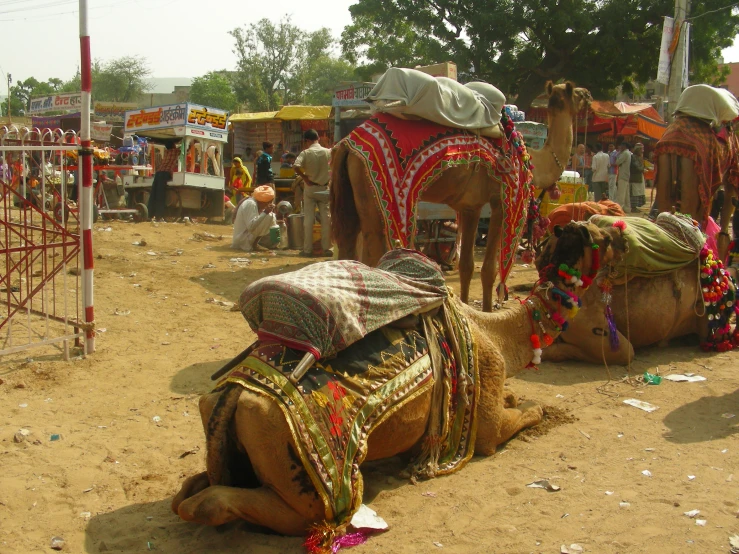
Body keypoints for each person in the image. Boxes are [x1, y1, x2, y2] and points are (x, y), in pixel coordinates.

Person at [293, 129, 332, 257]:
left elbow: (296, 166)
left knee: (308, 219)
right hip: (325, 188)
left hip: (310, 189)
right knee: (326, 219)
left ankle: (307, 250)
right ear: (318, 139)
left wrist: (304, 178)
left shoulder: (305, 153)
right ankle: (327, 248)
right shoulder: (328, 152)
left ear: (307, 141)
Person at [231, 185, 278, 251]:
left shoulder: (253, 203)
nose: (269, 204)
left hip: (246, 237)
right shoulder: (251, 204)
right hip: (243, 241)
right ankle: (255, 244)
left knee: (272, 216)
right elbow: (251, 226)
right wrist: (265, 212)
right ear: (263, 201)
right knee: (269, 216)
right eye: (269, 202)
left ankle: (271, 243)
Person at [148, 140, 180, 221]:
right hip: (165, 174)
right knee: (161, 195)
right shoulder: (175, 151)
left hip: (158, 173)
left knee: (154, 194)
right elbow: (184, 149)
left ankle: (150, 214)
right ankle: (159, 216)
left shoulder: (166, 152)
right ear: (173, 145)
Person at [629, 143, 646, 212]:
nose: (642, 151)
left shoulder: (639, 157)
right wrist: (643, 169)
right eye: (641, 149)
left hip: (639, 177)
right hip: (634, 177)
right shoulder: (633, 157)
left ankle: (636, 207)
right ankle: (633, 208)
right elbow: (636, 166)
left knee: (639, 192)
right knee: (635, 192)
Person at [614, 142, 632, 211]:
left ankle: (619, 208)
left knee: (621, 194)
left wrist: (618, 154)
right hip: (626, 175)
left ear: (624, 146)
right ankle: (627, 208)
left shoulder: (624, 153)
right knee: (626, 194)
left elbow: (617, 162)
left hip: (623, 175)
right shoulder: (628, 153)